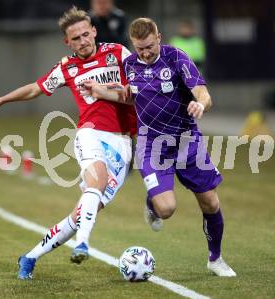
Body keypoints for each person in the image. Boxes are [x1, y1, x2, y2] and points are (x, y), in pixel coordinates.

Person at [0, 7, 135, 280]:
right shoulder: (67, 67)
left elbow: (138, 88)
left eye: (85, 34)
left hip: (124, 143)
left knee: (81, 214)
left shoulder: (118, 53)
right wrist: (3, 99)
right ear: (67, 42)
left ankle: (29, 257)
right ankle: (83, 243)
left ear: (94, 32)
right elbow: (36, 87)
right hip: (90, 134)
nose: (82, 41)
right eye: (75, 38)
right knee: (97, 180)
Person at [81, 17, 236, 277]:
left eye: (150, 46)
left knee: (210, 202)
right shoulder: (129, 64)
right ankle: (153, 203)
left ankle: (215, 259)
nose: (145, 53)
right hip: (151, 145)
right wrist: (99, 91)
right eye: (140, 48)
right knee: (166, 209)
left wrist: (200, 104)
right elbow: (129, 96)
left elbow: (203, 93)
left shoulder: (176, 57)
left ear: (159, 38)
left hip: (186, 140)